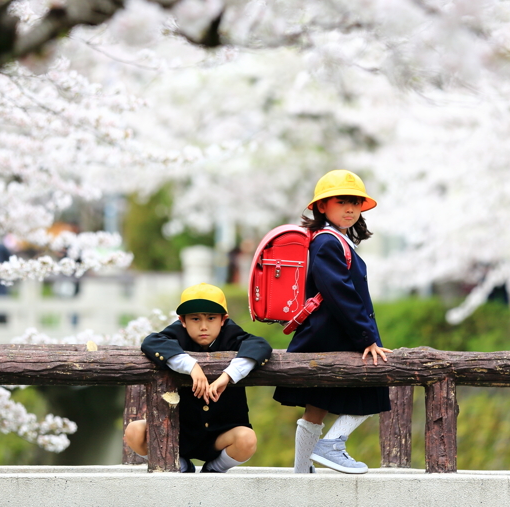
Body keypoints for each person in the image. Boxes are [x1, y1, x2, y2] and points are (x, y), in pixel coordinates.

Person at [273, 169, 391, 474]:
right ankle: (332, 444)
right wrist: (367, 338)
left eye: (355, 202)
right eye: (342, 202)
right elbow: (340, 293)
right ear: (322, 206)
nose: (350, 208)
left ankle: (302, 473)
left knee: (316, 406)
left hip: (325, 333)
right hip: (335, 333)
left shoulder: (331, 240)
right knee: (377, 380)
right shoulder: (327, 242)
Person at [124, 283, 271, 473]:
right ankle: (181, 465)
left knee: (247, 439)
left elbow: (260, 346)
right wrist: (191, 366)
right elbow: (151, 342)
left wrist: (228, 375)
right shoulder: (176, 334)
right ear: (182, 320)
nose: (203, 326)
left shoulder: (232, 335)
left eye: (211, 318)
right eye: (195, 319)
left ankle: (215, 469)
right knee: (134, 432)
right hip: (179, 433)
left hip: (222, 434)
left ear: (223, 319)